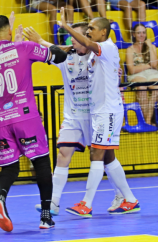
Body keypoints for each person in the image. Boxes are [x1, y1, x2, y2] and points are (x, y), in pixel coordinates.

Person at [0, 15, 70, 231]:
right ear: (9, 31)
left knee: (9, 168)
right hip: (25, 117)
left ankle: (0, 198)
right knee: (41, 163)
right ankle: (45, 216)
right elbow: (61, 56)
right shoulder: (24, 48)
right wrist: (40, 41)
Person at [25, 23, 125, 216]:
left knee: (107, 158)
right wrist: (40, 41)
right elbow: (56, 50)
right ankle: (53, 202)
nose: (72, 39)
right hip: (73, 116)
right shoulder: (67, 57)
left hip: (96, 116)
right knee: (63, 153)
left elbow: (112, 70)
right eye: (72, 37)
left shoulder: (98, 56)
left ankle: (122, 196)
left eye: (77, 36)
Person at [57, 12, 141, 217]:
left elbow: (86, 43)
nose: (88, 32)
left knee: (96, 154)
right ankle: (130, 199)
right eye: (87, 29)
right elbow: (77, 48)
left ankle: (86, 203)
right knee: (108, 158)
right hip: (98, 111)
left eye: (91, 29)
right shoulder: (95, 53)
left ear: (103, 32)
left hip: (108, 111)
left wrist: (66, 27)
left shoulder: (108, 47)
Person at [126, 24, 158, 125]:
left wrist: (150, 46)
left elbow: (154, 64)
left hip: (152, 73)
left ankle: (148, 119)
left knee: (157, 86)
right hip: (137, 74)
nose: (142, 35)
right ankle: (146, 121)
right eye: (139, 33)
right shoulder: (130, 49)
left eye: (143, 32)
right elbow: (131, 70)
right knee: (142, 86)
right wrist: (148, 65)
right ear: (134, 34)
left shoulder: (152, 47)